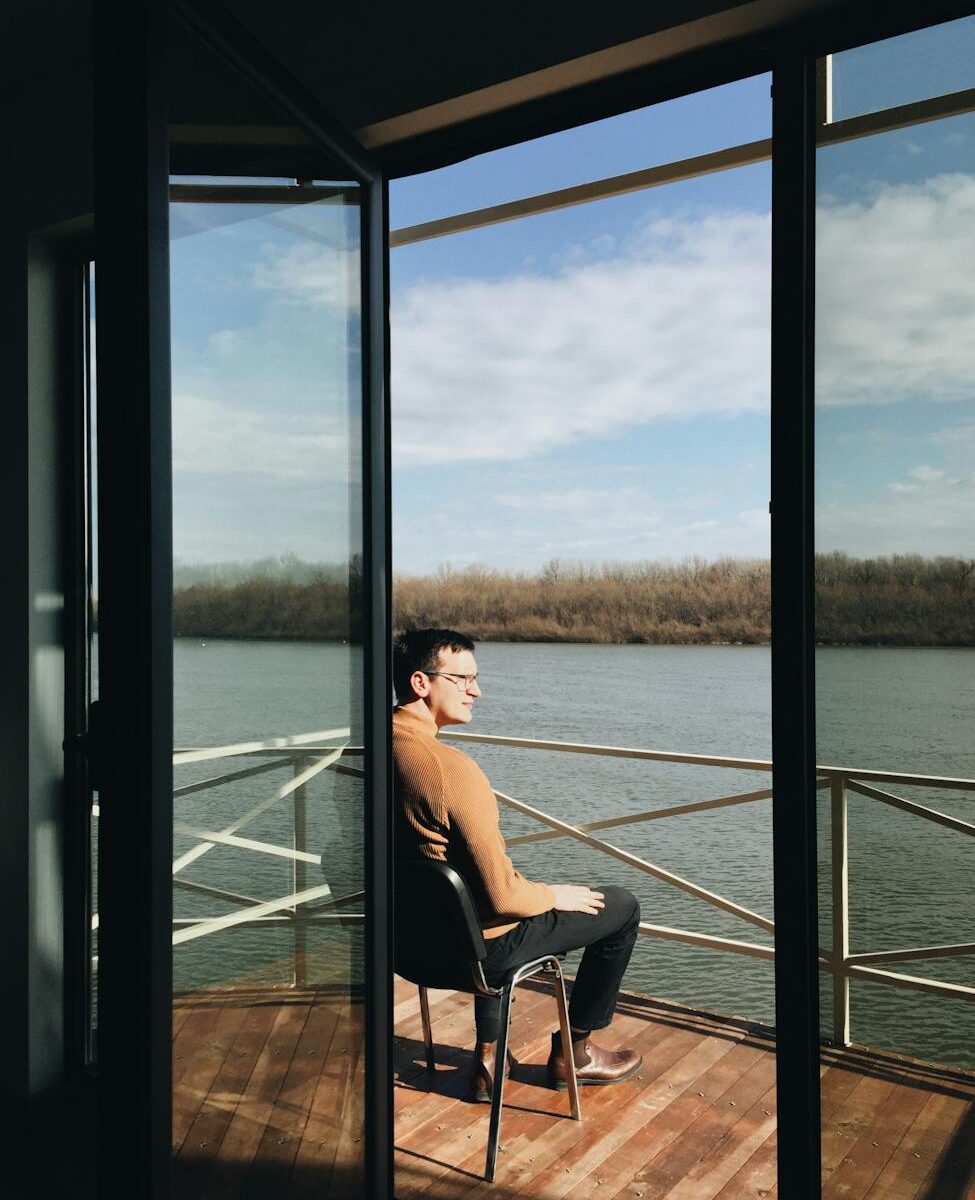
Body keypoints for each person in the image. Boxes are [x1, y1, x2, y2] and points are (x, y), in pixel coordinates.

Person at [392, 627, 642, 1100]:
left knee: (475, 893)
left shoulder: (368, 752)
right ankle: (577, 1055)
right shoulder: (451, 769)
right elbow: (503, 898)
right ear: (421, 683)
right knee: (621, 907)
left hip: (402, 946)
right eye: (463, 679)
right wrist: (553, 895)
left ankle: (489, 1055)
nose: (476, 691)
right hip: (470, 956)